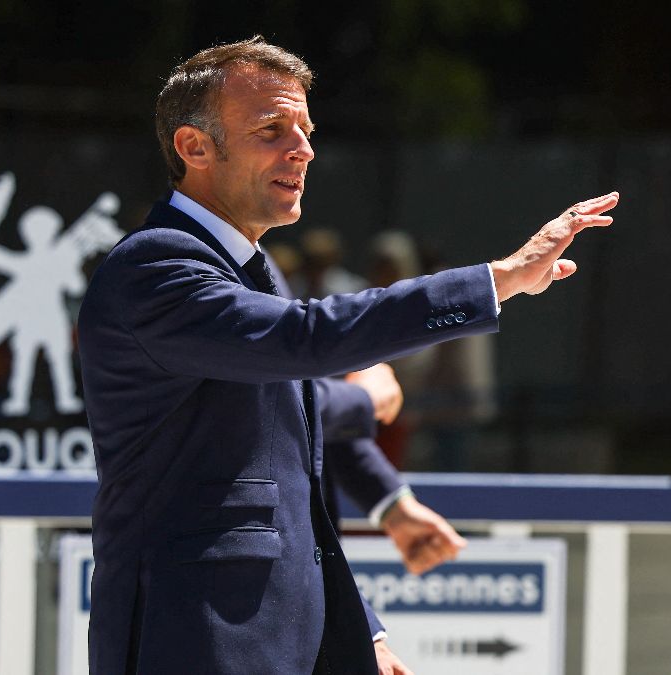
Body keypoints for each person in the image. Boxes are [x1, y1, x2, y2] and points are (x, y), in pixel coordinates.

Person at [77, 36, 617, 675]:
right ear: (194, 147)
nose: (302, 149)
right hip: (193, 642)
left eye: (305, 131)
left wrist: (363, 629)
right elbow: (308, 343)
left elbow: (294, 449)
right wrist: (495, 281)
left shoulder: (250, 269)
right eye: (272, 130)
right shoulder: (156, 265)